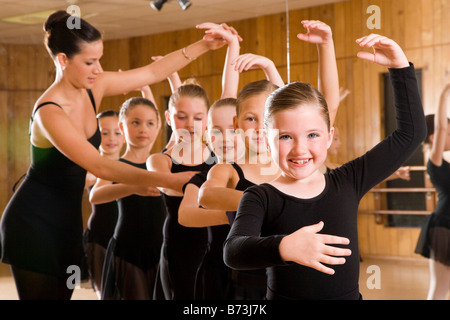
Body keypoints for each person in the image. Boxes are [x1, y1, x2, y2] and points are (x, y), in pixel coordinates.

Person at [0, 10, 225, 300]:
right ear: (63, 60)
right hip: (33, 221)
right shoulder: (49, 112)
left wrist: (204, 45)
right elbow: (98, 165)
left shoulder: (94, 87)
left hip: (67, 218)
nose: (98, 69)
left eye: (100, 60)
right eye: (90, 62)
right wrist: (166, 179)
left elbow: (152, 73)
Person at [223, 34, 427, 300]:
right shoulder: (260, 196)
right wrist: (284, 246)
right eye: (285, 137)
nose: (300, 149)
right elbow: (233, 251)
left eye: (313, 135)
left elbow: (410, 134)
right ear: (268, 139)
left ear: (329, 136)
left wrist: (399, 68)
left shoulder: (349, 180)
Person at [146, 80, 217, 300]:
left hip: (217, 243)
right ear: (169, 118)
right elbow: (171, 183)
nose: (190, 124)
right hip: (180, 245)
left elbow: (229, 93)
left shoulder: (219, 156)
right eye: (181, 117)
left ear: (208, 119)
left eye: (198, 118)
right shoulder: (159, 160)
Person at [90, 97, 165, 300]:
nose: (143, 129)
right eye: (136, 122)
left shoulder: (164, 162)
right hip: (128, 250)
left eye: (150, 123)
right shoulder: (115, 165)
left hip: (162, 249)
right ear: (122, 127)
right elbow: (95, 195)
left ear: (158, 127)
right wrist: (132, 187)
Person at [83, 109, 124, 298]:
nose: (111, 138)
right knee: (105, 294)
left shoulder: (132, 166)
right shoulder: (90, 169)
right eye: (104, 133)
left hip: (126, 239)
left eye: (117, 132)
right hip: (99, 239)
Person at [415, 84, 450, 300]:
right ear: (433, 136)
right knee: (439, 288)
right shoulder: (434, 161)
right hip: (444, 229)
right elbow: (442, 127)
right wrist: (445, 91)